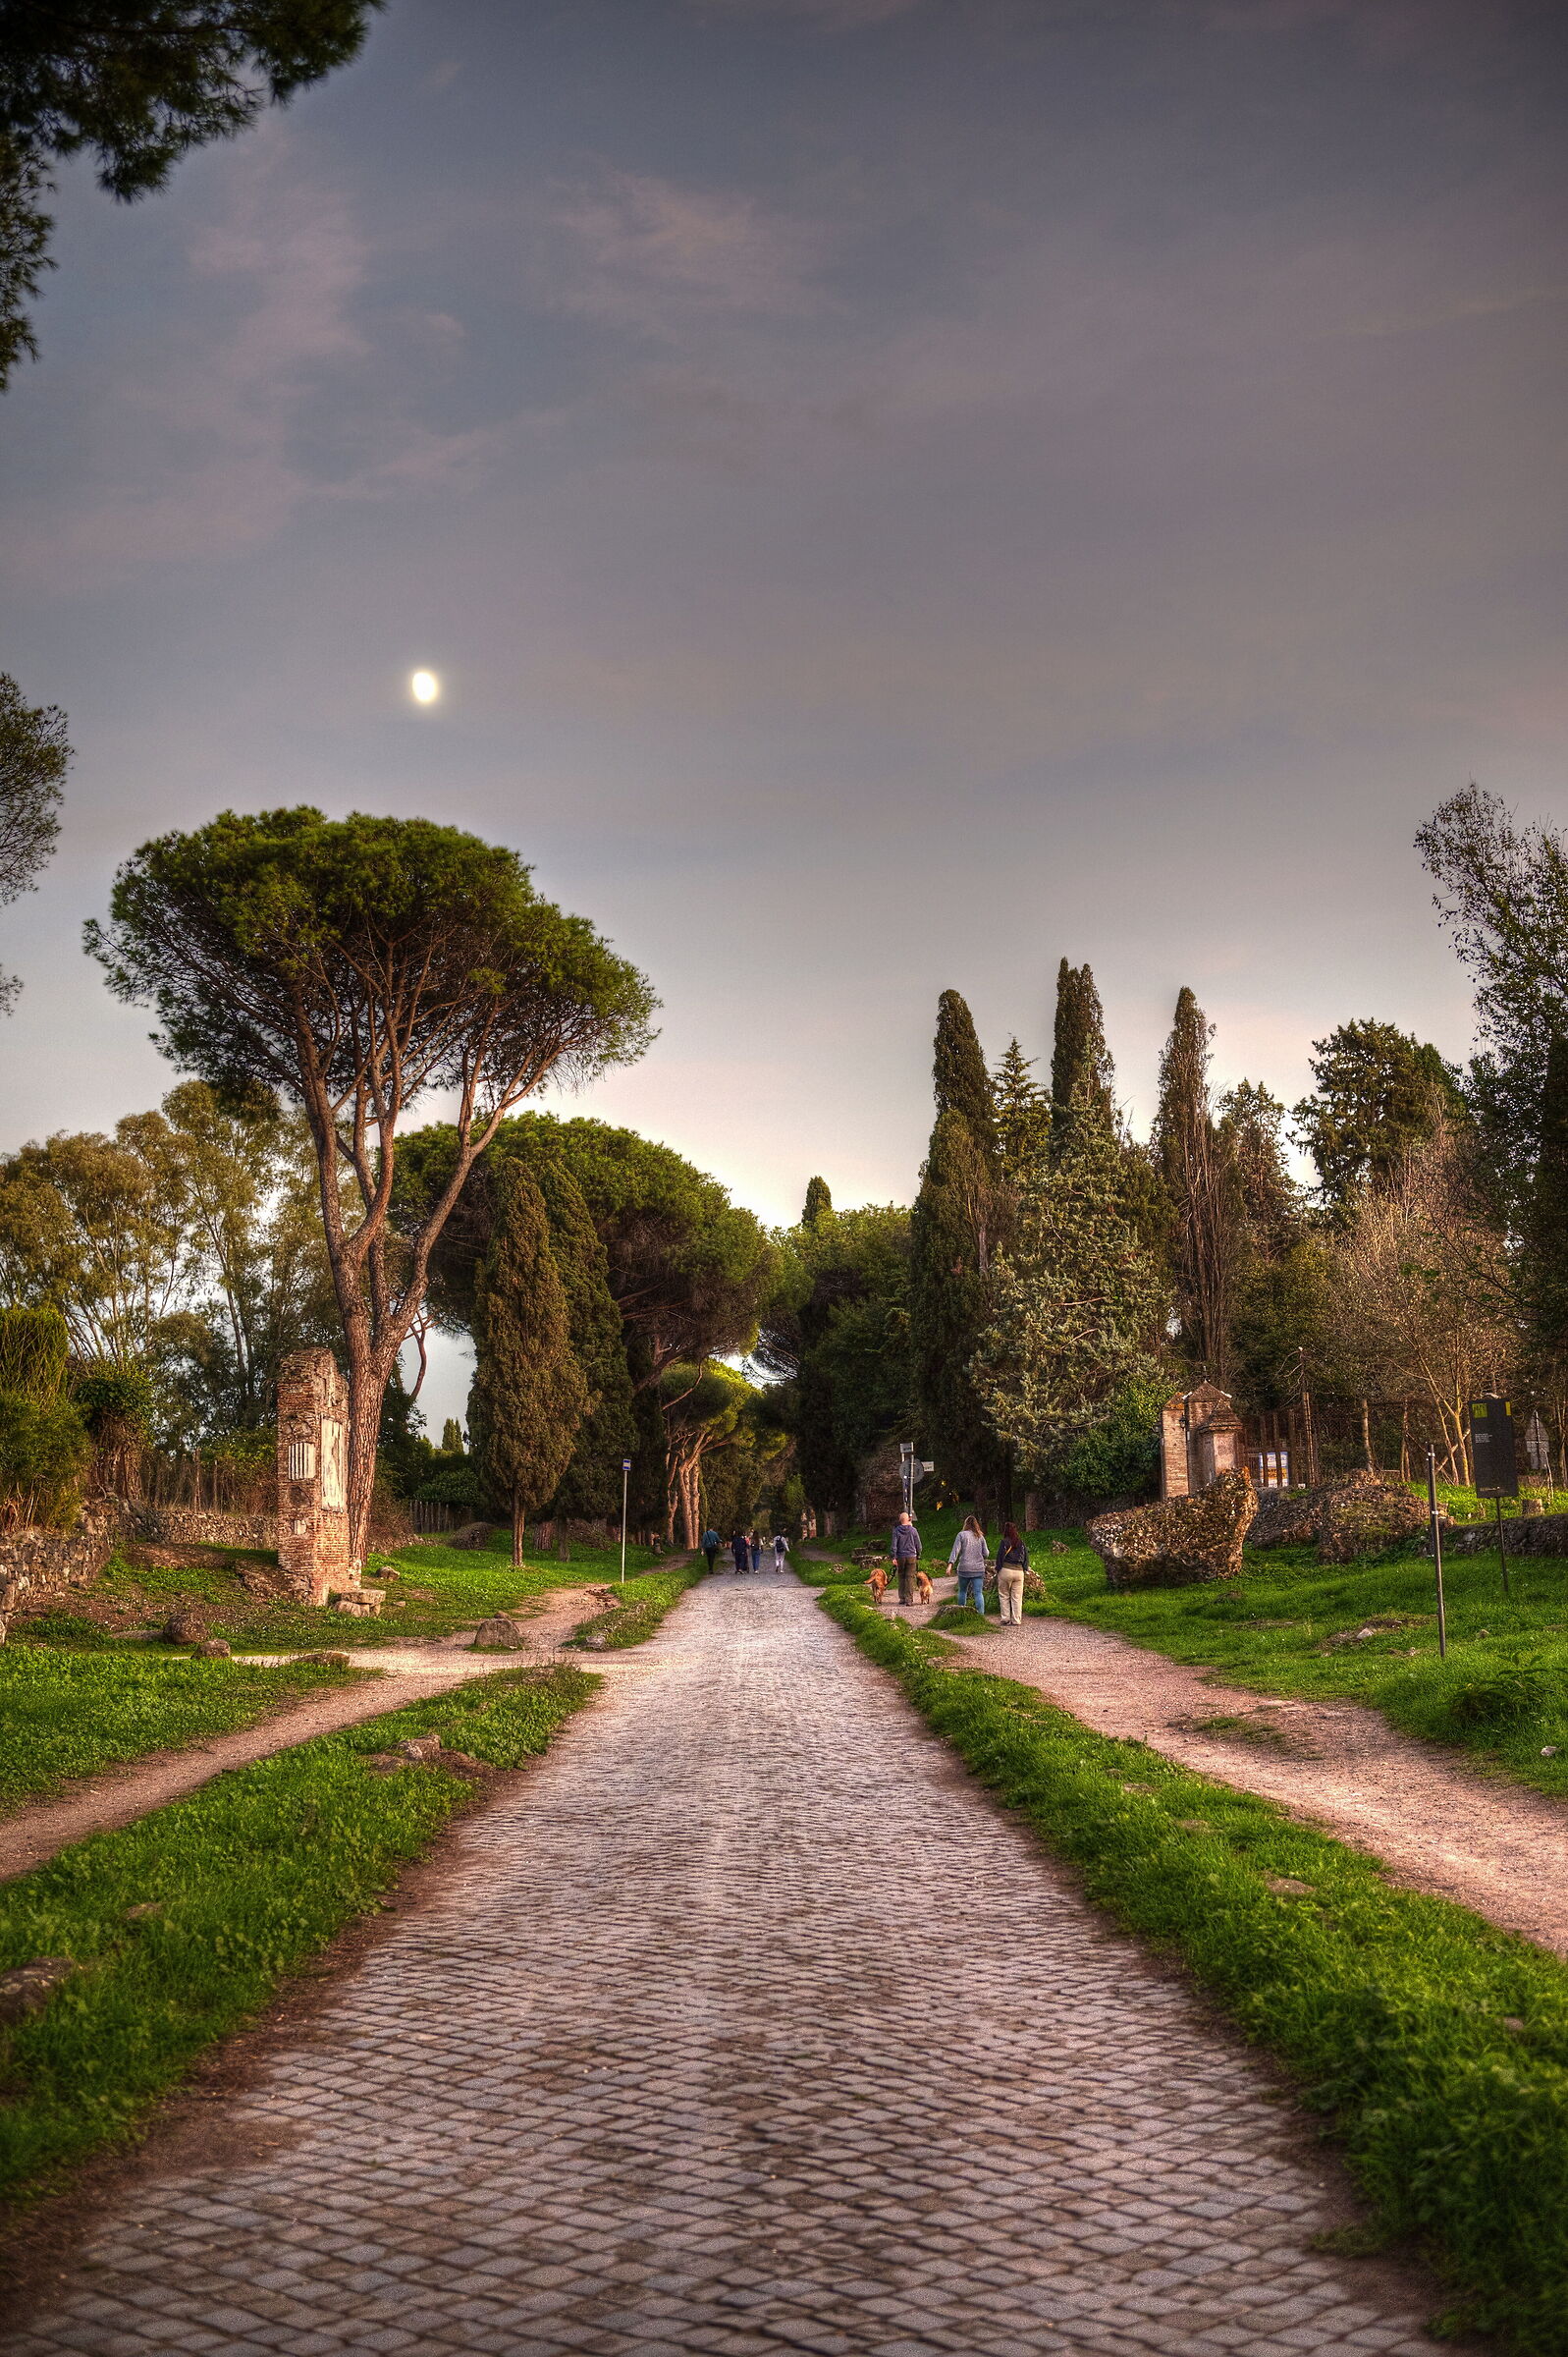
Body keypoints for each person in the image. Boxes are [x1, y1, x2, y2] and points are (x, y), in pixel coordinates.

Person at [949, 1513, 990, 1615]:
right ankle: (980, 1616)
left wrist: (950, 1563)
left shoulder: (961, 1535)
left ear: (966, 1524)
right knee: (978, 1593)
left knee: (963, 1591)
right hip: (978, 1569)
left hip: (964, 1568)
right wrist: (980, 1557)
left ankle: (961, 1613)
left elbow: (955, 1550)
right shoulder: (980, 1536)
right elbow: (986, 1553)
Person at [995, 1520, 1030, 1625]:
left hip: (1005, 1570)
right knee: (1017, 1597)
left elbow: (1000, 1557)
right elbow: (1026, 1558)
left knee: (1004, 1595)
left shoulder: (1004, 1542)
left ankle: (1005, 1618)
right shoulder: (1021, 1543)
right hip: (1019, 1572)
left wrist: (998, 1568)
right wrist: (1025, 1569)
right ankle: (1016, 1620)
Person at [890, 1508, 922, 1606]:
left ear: (900, 1520)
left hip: (900, 1557)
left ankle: (902, 1598)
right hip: (912, 1556)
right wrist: (919, 1554)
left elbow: (894, 1545)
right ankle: (909, 1599)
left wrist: (894, 1557)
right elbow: (918, 1545)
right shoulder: (913, 1530)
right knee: (910, 1577)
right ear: (908, 1519)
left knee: (901, 1576)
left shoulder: (896, 1531)